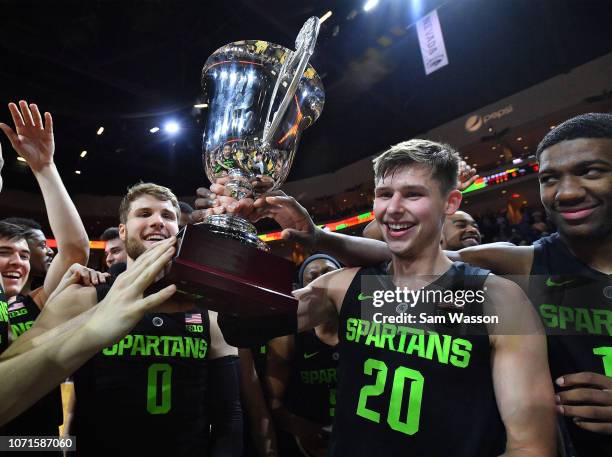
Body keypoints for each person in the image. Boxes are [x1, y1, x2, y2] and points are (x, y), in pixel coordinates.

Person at [228, 113, 612, 456]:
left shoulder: (496, 298)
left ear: (450, 202)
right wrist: (228, 236)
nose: (394, 208)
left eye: (413, 194)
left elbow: (530, 445)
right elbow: (241, 326)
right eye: (384, 194)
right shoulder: (345, 288)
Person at [46, 182, 242, 457]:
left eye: (167, 216)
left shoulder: (207, 309)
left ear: (179, 231)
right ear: (123, 231)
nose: (158, 222)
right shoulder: (88, 297)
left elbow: (229, 417)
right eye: (144, 213)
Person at [0, 101, 91, 442]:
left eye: (24, 255)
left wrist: (45, 168)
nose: (18, 262)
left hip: (32, 442)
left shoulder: (33, 304)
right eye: (4, 253)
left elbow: (74, 249)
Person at [266, 254, 341, 457]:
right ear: (303, 290)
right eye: (313, 277)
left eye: (329, 274)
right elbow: (273, 402)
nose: (322, 283)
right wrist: (302, 429)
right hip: (309, 443)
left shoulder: (365, 328)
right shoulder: (287, 337)